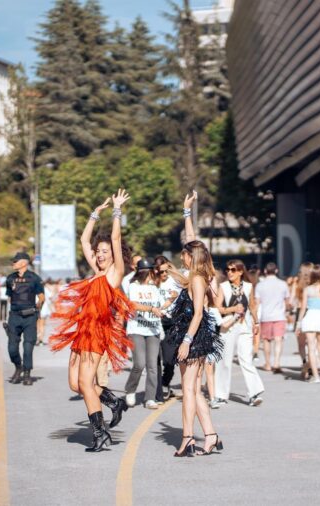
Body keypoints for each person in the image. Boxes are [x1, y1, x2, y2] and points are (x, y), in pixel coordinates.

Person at [51, 190, 133, 452]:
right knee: (75, 384)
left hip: (97, 333)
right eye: (99, 251)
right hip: (81, 332)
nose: (100, 254)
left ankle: (100, 434)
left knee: (86, 384)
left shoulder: (114, 274)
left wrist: (117, 211)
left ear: (113, 254)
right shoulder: (96, 272)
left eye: (105, 251)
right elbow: (84, 240)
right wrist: (95, 214)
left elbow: (117, 239)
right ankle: (113, 401)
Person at [166, 191, 223, 457]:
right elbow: (193, 241)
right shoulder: (196, 273)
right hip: (194, 334)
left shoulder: (199, 279)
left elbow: (198, 313)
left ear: (192, 257)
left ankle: (188, 438)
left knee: (188, 390)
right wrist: (186, 211)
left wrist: (187, 342)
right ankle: (210, 435)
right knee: (194, 389)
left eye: (184, 255)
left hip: (194, 336)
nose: (182, 257)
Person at [213, 259, 265, 408]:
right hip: (228, 326)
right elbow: (218, 308)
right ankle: (220, 395)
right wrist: (233, 309)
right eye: (228, 269)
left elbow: (253, 306)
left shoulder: (248, 287)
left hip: (245, 327)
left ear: (241, 272)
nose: (229, 272)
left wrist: (256, 323)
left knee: (246, 360)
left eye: (233, 270)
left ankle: (254, 393)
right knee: (224, 361)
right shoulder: (223, 286)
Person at [124, 259, 166, 409]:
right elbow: (133, 304)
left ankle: (150, 398)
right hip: (137, 329)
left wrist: (170, 300)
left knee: (152, 366)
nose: (154, 273)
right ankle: (130, 389)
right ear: (144, 272)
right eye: (152, 270)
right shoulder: (133, 286)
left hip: (153, 329)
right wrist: (150, 310)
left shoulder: (154, 288)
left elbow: (161, 306)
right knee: (139, 363)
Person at [4, 252, 45, 386]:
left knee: (28, 347)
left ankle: (27, 373)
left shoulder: (35, 278)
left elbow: (41, 297)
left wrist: (37, 308)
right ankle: (18, 367)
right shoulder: (10, 278)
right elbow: (10, 298)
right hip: (14, 316)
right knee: (12, 348)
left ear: (24, 263)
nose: (13, 264)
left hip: (29, 317)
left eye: (15, 261)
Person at [154, 255, 181, 402]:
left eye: (166, 271)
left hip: (170, 322)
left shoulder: (174, 281)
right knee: (155, 360)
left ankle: (165, 382)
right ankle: (158, 391)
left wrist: (172, 269)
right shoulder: (152, 283)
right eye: (160, 272)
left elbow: (185, 281)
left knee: (170, 360)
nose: (164, 274)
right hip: (155, 323)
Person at [298, 264, 320, 383]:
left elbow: (303, 308)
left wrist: (298, 323)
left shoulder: (308, 289)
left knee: (311, 348)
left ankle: (316, 376)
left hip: (310, 317)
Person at [255, 262, 290, 373]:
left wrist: (254, 318)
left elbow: (257, 303)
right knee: (278, 340)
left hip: (266, 316)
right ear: (276, 271)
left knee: (266, 340)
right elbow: (287, 302)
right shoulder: (283, 284)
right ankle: (277, 362)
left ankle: (268, 364)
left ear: (265, 271)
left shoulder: (260, 285)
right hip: (280, 316)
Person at [292, 262, 313, 379]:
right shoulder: (314, 283)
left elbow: (293, 302)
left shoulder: (297, 283)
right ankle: (311, 365)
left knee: (301, 343)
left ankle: (304, 362)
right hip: (312, 312)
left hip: (300, 312)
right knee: (310, 343)